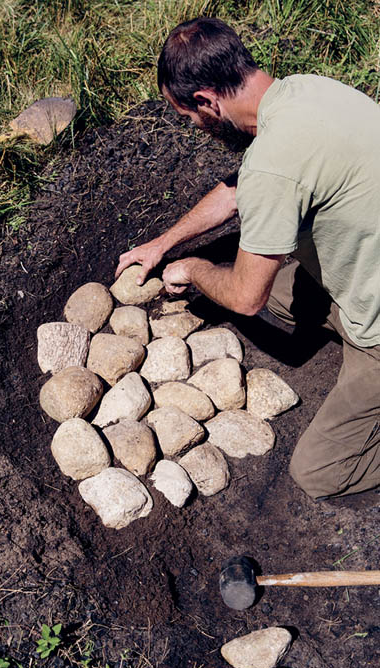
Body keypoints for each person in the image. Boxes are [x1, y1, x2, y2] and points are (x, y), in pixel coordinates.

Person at [115, 17, 380, 500]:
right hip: (366, 268)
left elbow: (246, 298)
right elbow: (241, 189)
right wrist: (162, 245)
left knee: (321, 472)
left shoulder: (273, 168)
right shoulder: (304, 91)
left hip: (376, 327)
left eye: (188, 118)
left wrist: (194, 269)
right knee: (282, 278)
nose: (195, 129)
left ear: (206, 100)